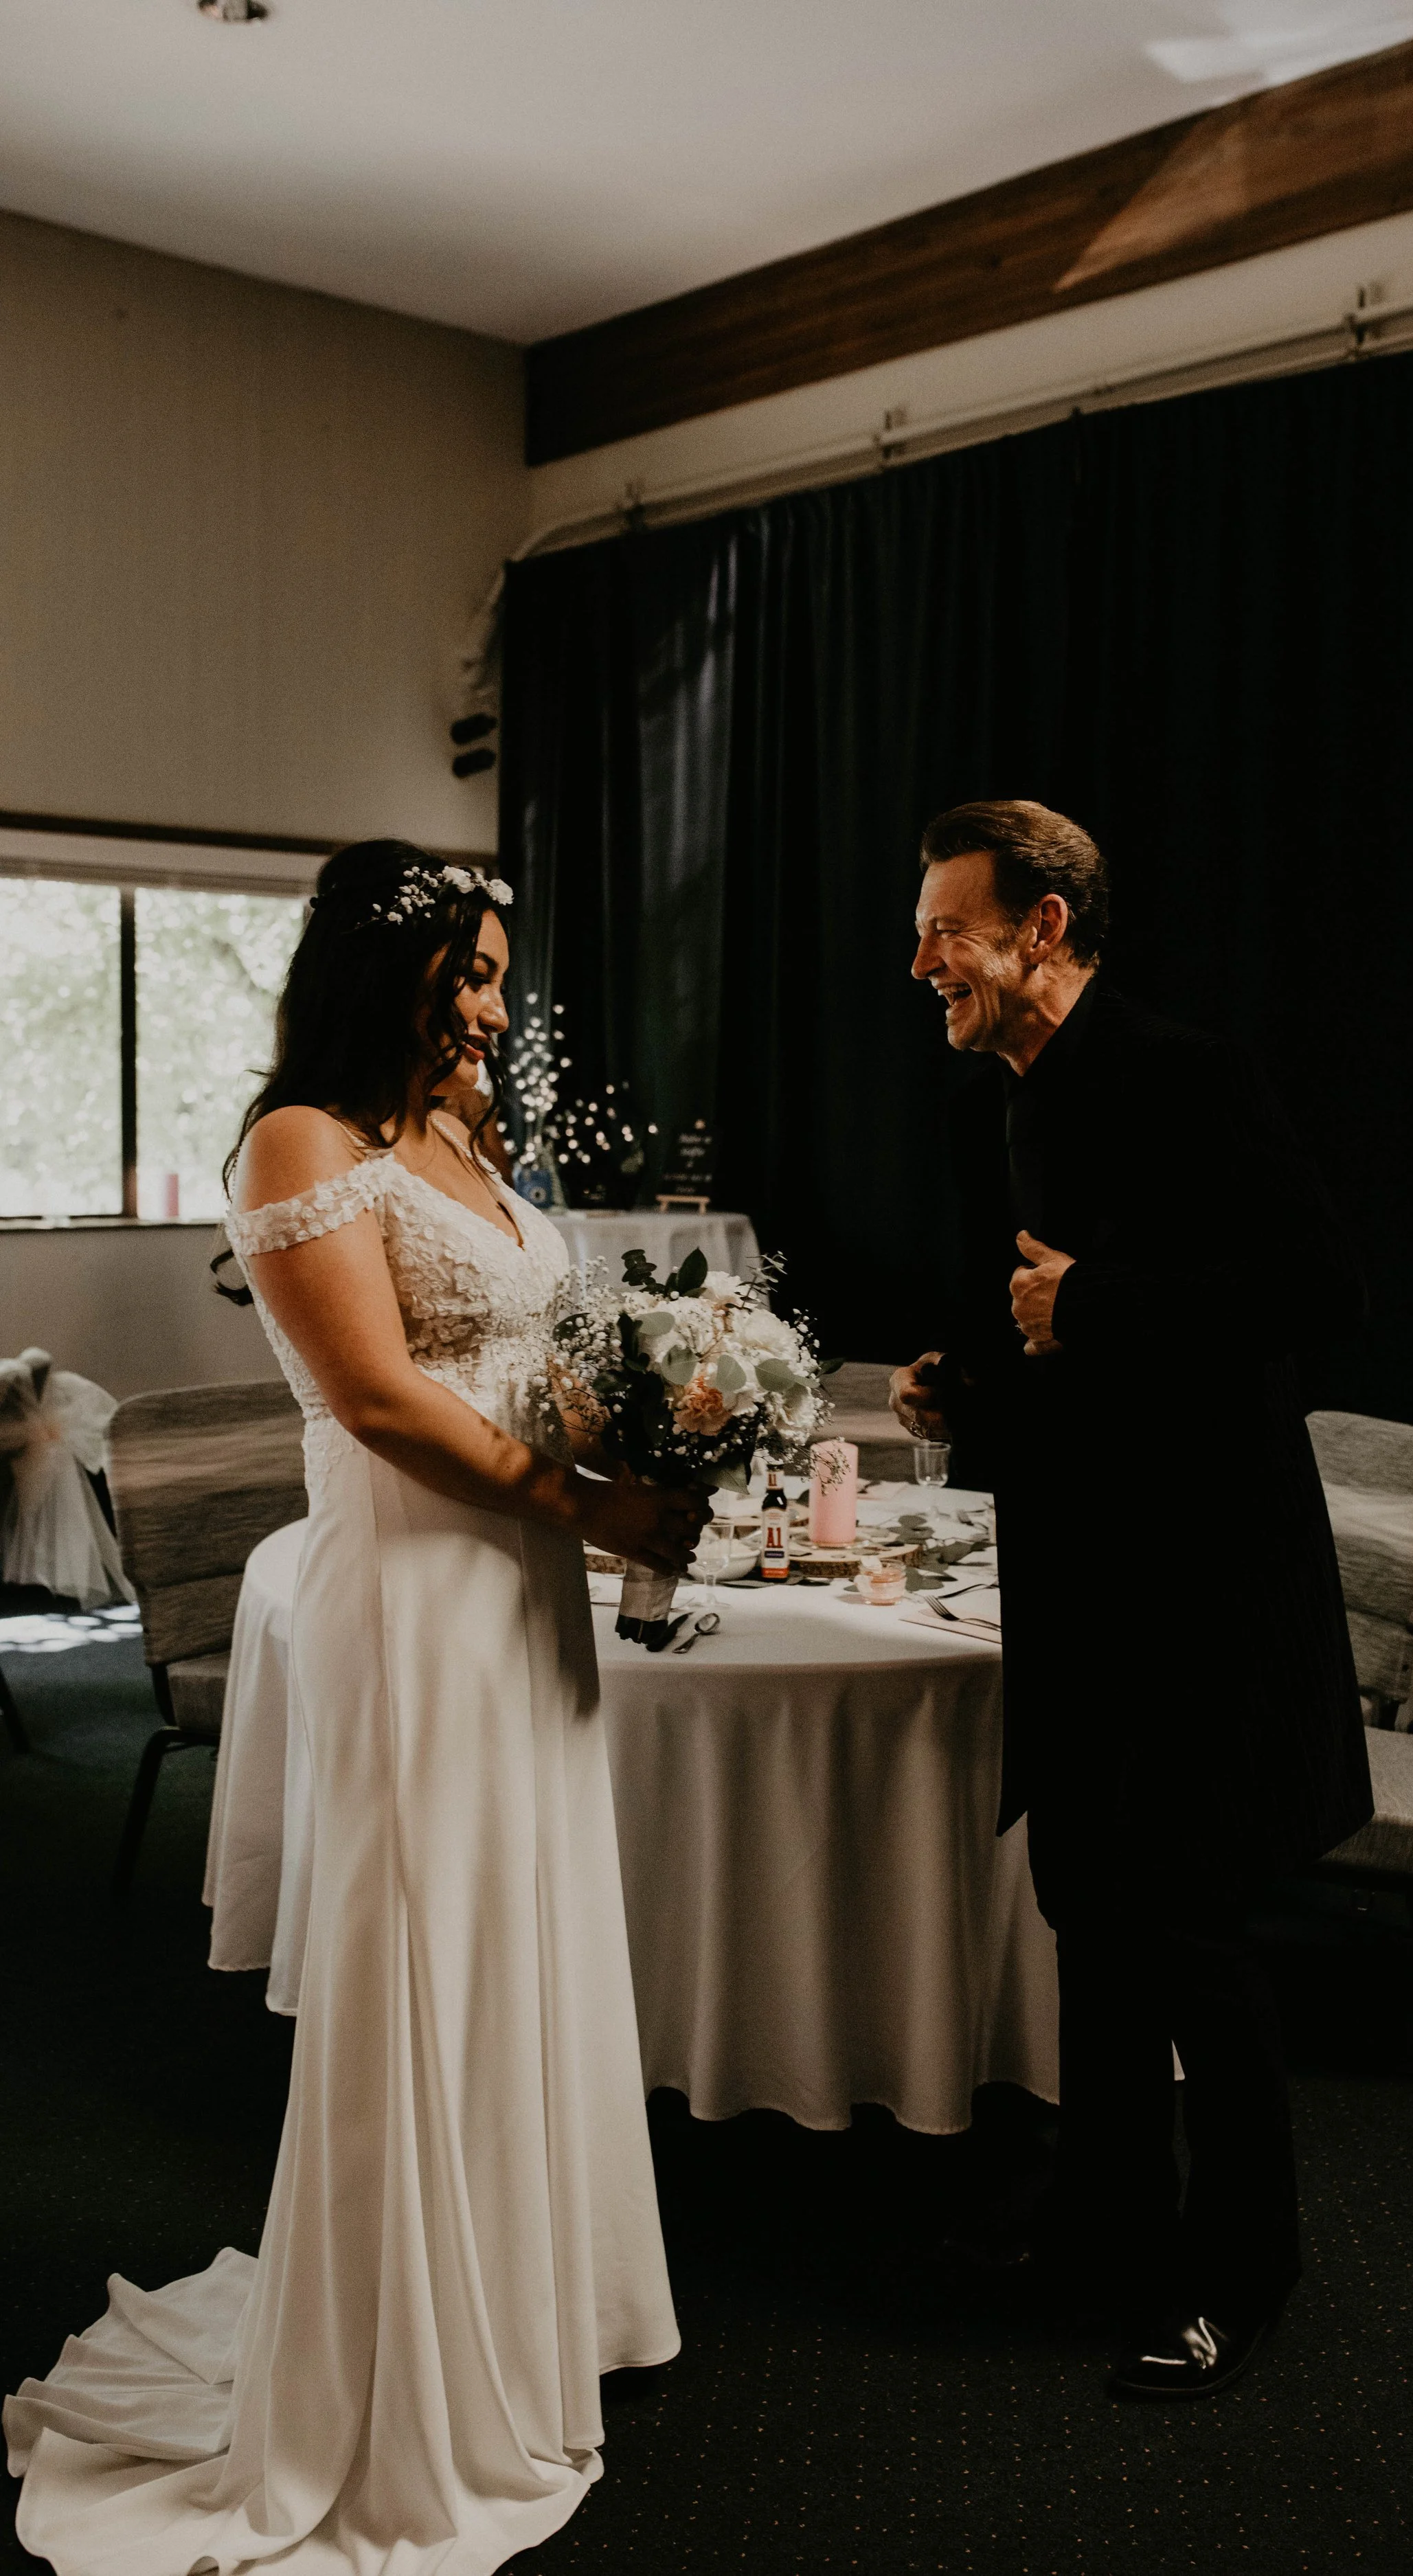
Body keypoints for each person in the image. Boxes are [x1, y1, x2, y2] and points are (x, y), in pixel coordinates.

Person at [6, 841, 708, 2573]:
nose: (485, 1007)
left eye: (492, 978)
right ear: (373, 974)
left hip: (522, 1597)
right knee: (430, 1944)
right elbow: (385, 1404)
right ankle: (403, 2359)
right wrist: (595, 1509)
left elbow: (527, 1360)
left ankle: (533, 2300)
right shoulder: (296, 1144)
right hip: (411, 1595)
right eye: (461, 975)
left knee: (523, 1928)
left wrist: (654, 1431)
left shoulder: (462, 1140)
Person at [891, 800, 1371, 2404]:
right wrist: (967, 1382)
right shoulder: (998, 1108)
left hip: (1205, 1593)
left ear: (1040, 926)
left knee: (1187, 1938)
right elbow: (1046, 1344)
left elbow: (1312, 1291)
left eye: (945, 929)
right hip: (1076, 1581)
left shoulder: (1186, 1071)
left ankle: (1244, 2273)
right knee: (1084, 1916)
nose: (919, 964)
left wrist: (1082, 1301)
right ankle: (1103, 2221)